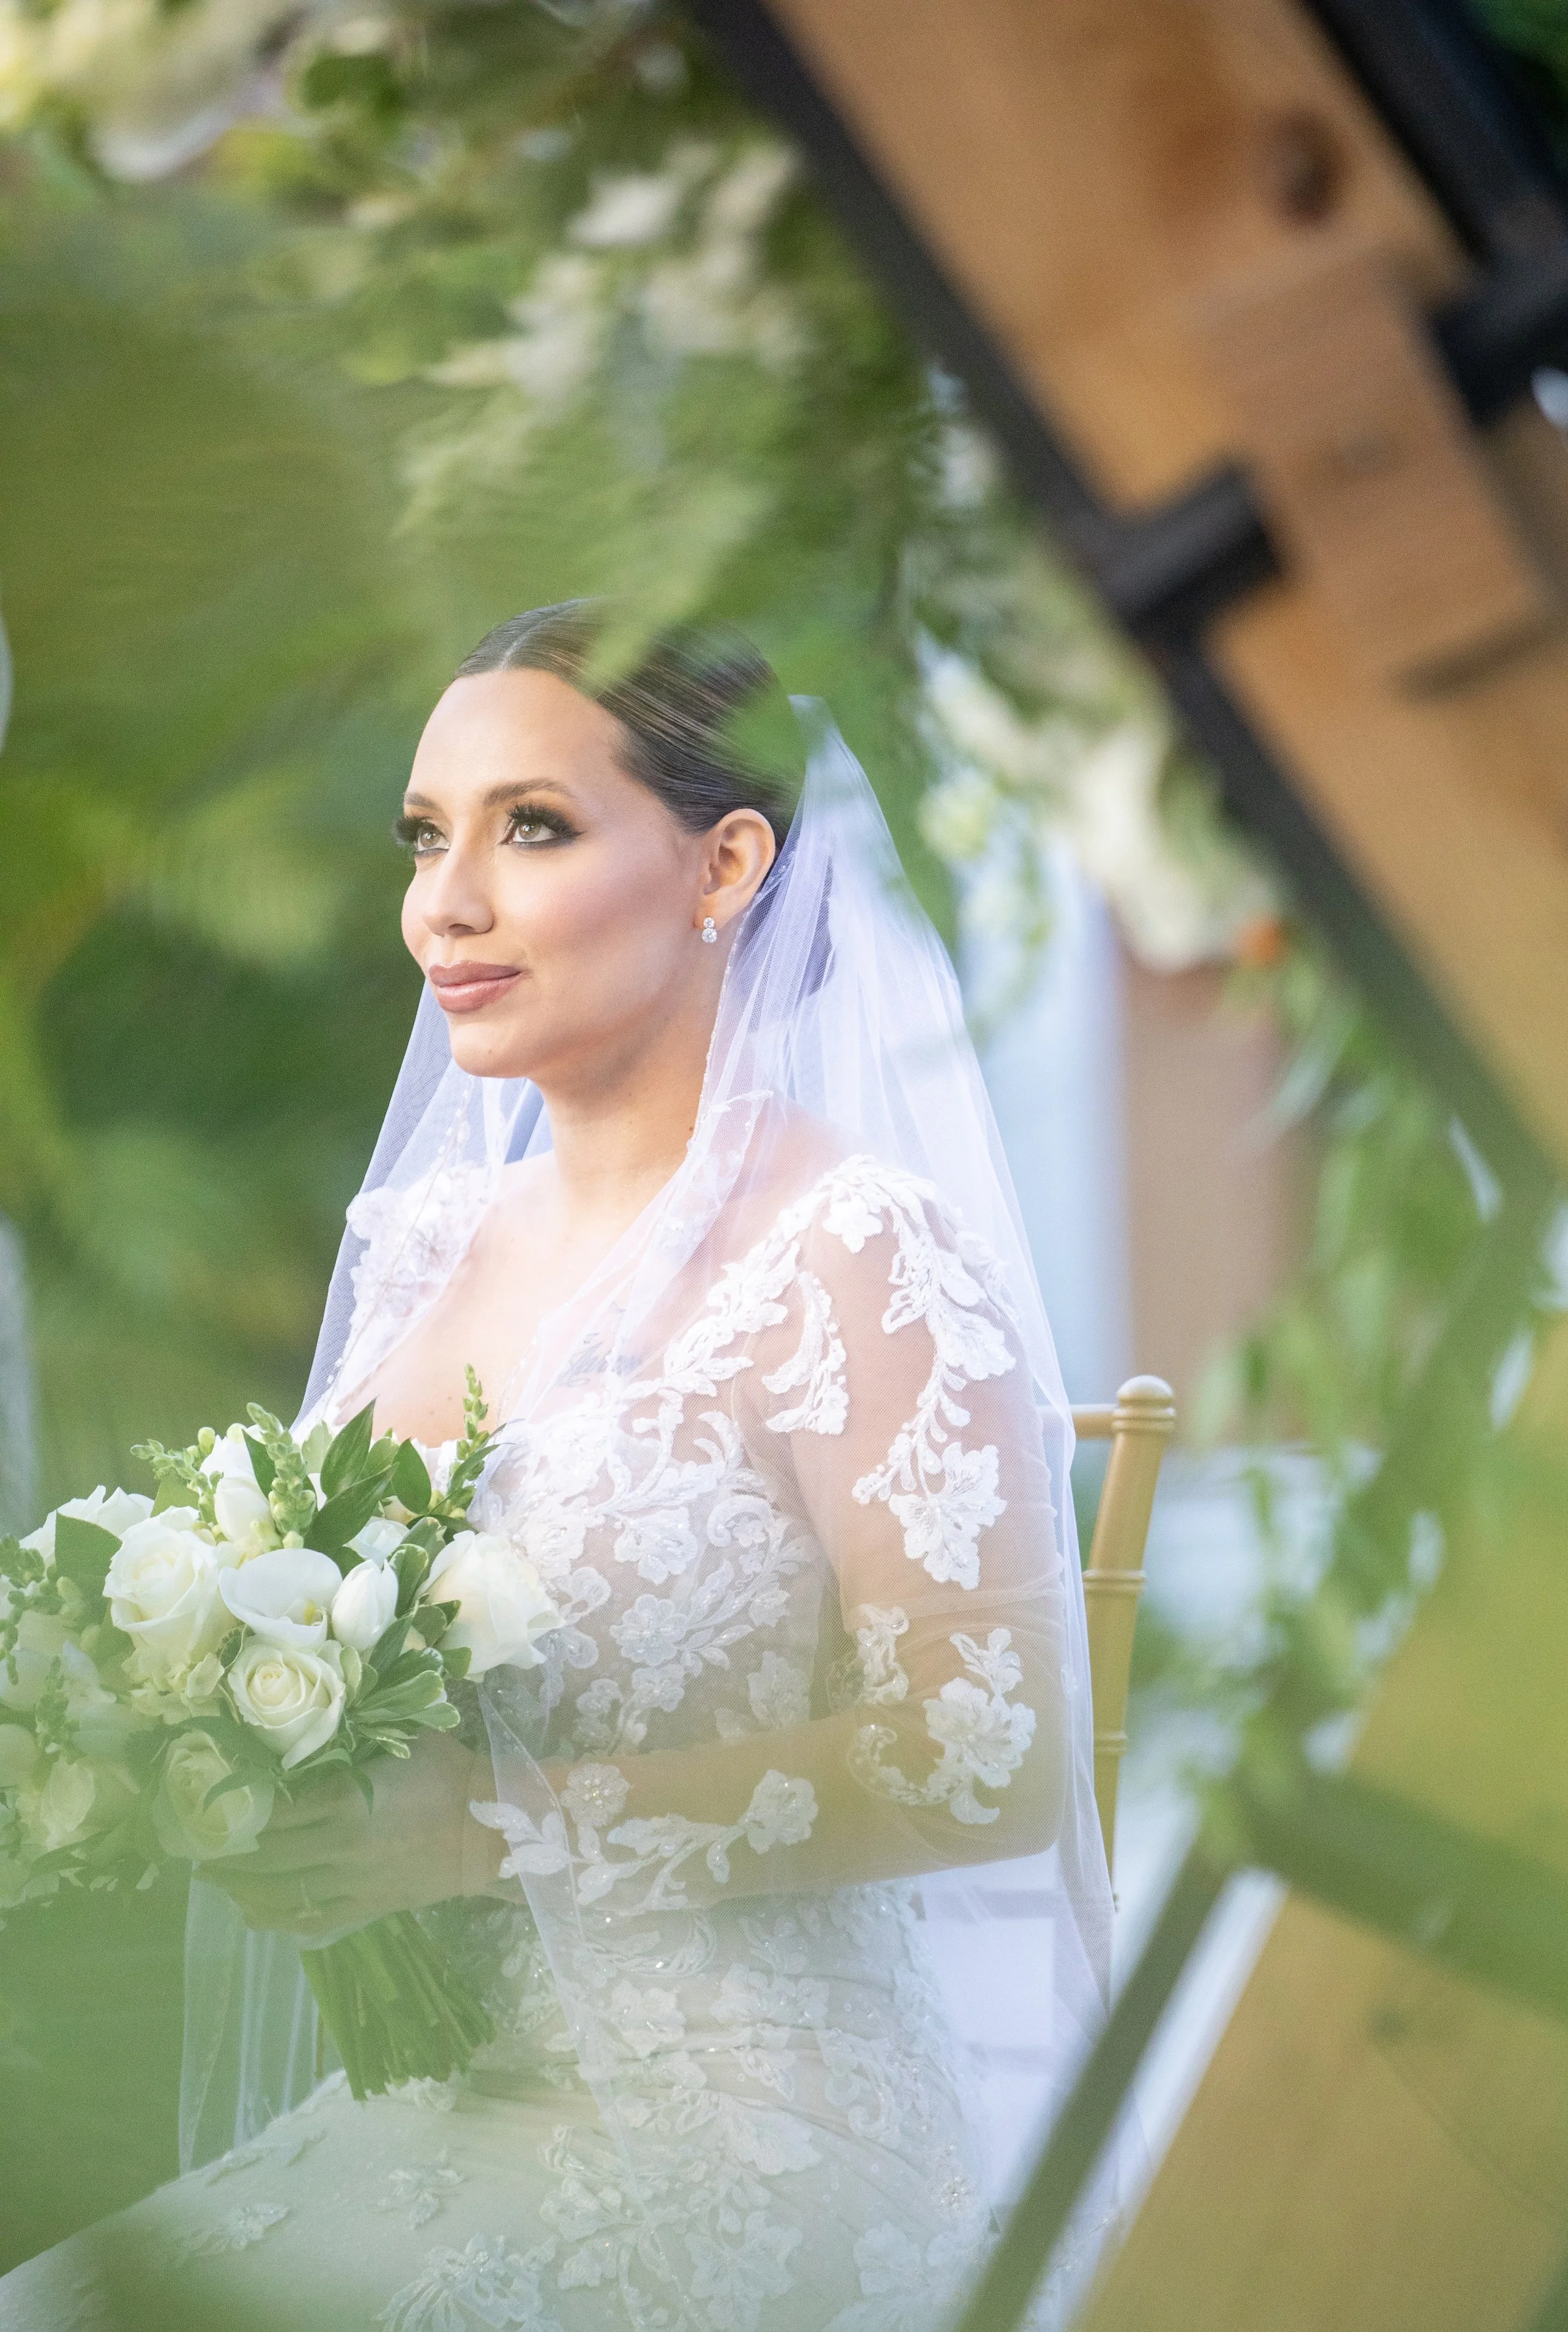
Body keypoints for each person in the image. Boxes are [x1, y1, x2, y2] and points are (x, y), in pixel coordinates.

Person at [0, 605, 1112, 2331]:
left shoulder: (853, 1252)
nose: (443, 904)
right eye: (427, 836)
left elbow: (988, 1761)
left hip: (748, 2130)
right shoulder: (423, 1237)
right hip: (454, 2093)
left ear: (724, 860)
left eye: (531, 826)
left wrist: (487, 1832)